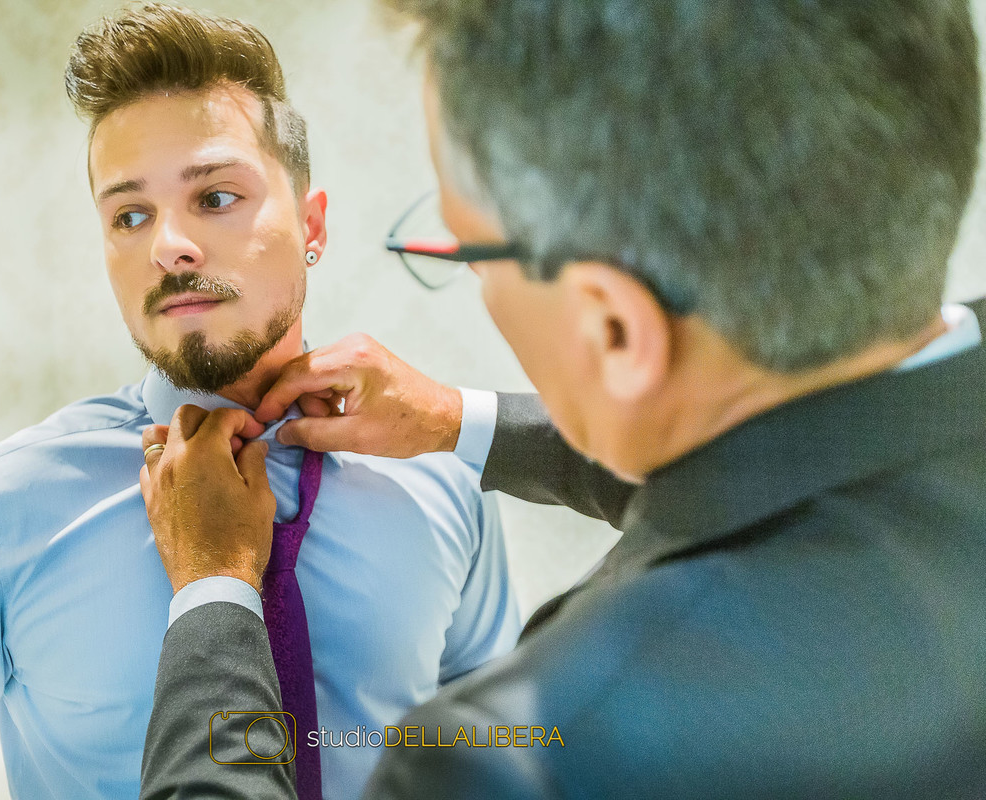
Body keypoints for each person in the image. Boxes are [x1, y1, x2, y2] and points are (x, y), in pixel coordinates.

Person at [137, 0, 986, 798]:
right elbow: (806, 464)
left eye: (468, 246)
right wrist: (461, 422)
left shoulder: (519, 760)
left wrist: (215, 591)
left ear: (615, 328)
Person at [0, 6, 524, 799]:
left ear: (312, 225)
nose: (168, 243)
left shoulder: (440, 476)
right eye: (129, 215)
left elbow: (496, 746)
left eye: (214, 197)